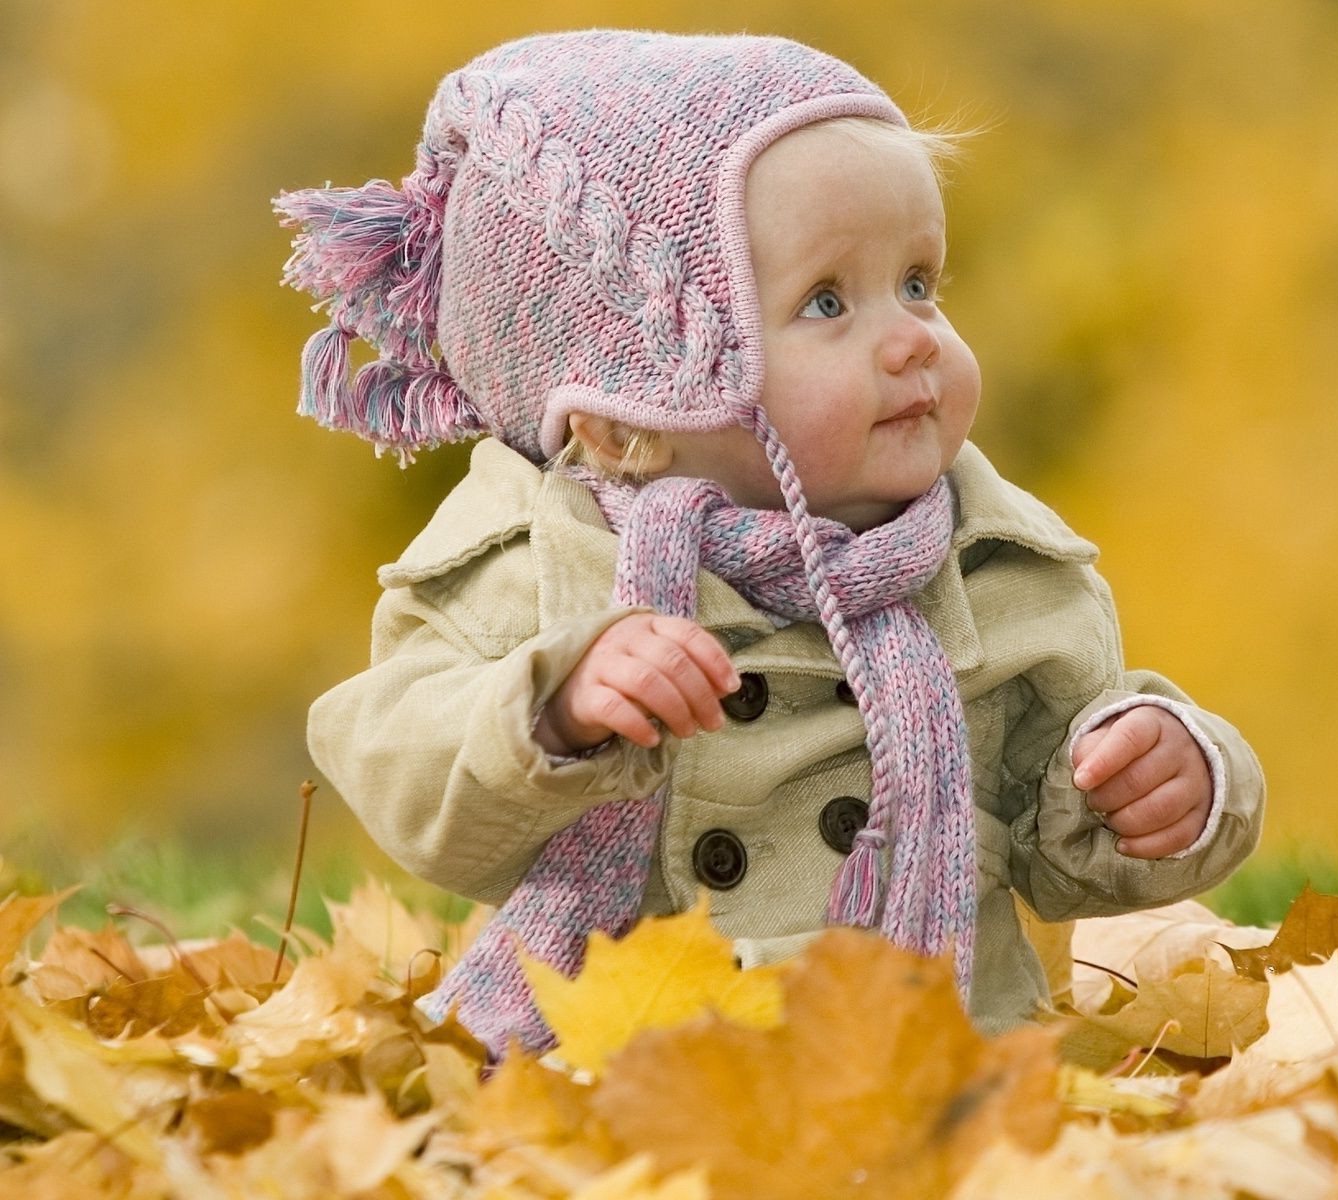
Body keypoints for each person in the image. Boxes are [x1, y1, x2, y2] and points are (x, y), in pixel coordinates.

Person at [284, 28, 1267, 1064]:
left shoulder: (994, 562)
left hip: (943, 1070)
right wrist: (554, 707)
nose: (913, 338)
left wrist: (1161, 786)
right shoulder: (544, 562)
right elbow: (401, 759)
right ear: (627, 416)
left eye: (922, 283)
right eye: (828, 303)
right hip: (634, 1083)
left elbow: (1061, 845)